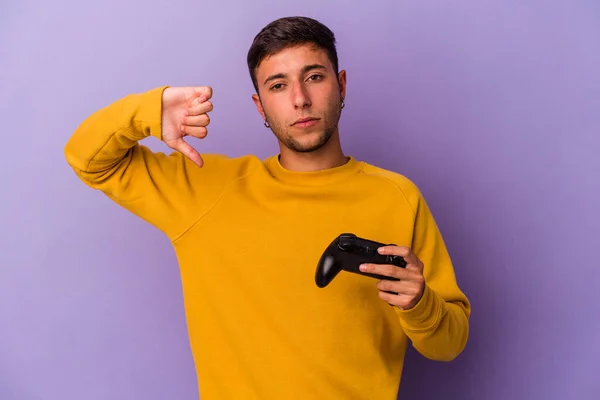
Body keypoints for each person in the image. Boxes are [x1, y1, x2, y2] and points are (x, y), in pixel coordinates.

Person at [64, 15, 470, 400]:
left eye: (314, 77)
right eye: (278, 86)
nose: (300, 99)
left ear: (341, 84)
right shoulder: (205, 191)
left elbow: (448, 345)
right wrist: (150, 111)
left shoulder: (398, 196)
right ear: (260, 106)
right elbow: (86, 157)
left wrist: (421, 304)